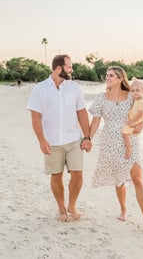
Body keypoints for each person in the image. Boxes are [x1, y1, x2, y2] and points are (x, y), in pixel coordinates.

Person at [27, 54, 92, 222]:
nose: (71, 69)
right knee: (56, 176)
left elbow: (82, 114)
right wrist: (41, 140)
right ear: (58, 68)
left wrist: (87, 137)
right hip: (52, 142)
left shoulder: (75, 88)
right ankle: (61, 208)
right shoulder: (39, 89)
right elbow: (35, 117)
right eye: (69, 66)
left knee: (77, 174)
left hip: (73, 140)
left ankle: (72, 205)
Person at [88, 66, 143, 228]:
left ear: (120, 79)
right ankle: (123, 209)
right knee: (119, 179)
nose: (107, 77)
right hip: (110, 141)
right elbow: (96, 121)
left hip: (131, 139)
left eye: (111, 75)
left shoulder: (132, 96)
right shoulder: (101, 98)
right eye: (107, 75)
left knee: (137, 178)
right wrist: (87, 138)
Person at [121, 78, 143, 159]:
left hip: (135, 122)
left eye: (137, 90)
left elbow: (141, 113)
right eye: (133, 91)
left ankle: (128, 149)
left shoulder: (142, 101)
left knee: (125, 133)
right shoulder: (136, 99)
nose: (135, 92)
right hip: (133, 121)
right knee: (125, 134)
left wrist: (133, 122)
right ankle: (129, 148)